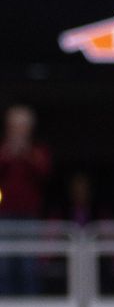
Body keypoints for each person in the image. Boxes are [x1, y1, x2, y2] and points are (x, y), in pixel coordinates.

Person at [0, 104, 52, 294]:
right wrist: (8, 155)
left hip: (29, 216)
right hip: (3, 216)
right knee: (4, 266)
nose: (18, 131)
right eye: (14, 126)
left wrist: (27, 155)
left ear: (29, 129)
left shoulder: (38, 151)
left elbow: (44, 174)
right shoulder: (3, 150)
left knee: (29, 266)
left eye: (22, 126)